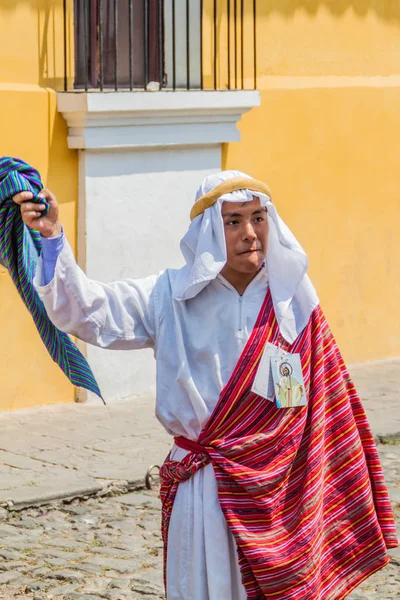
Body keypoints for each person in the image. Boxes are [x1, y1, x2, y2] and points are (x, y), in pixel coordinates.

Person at [13, 171, 398, 599]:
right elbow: (86, 312)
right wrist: (51, 238)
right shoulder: (169, 296)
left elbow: (326, 410)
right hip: (207, 486)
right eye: (233, 221)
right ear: (210, 231)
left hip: (282, 488)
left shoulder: (293, 299)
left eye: (258, 217)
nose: (250, 233)